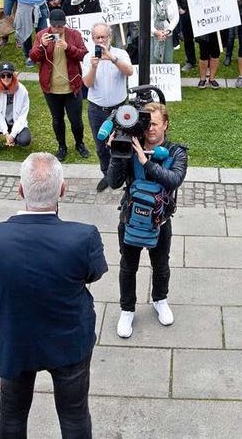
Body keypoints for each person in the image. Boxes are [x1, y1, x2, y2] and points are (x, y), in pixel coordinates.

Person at [0, 152, 106, 438]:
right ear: (62, 189)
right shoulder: (84, 237)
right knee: (74, 415)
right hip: (69, 342)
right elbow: (93, 274)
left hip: (15, 342)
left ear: (20, 189)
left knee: (12, 413)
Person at [106, 102, 188, 339]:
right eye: (146, 124)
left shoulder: (176, 152)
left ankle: (160, 299)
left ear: (165, 124)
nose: (149, 129)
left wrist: (145, 161)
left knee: (161, 265)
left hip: (160, 222)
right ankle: (127, 309)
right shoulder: (130, 145)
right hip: (130, 219)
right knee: (127, 267)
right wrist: (116, 154)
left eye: (154, 124)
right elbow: (113, 182)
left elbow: (174, 180)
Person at [30, 9, 89, 161]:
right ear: (50, 24)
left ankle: (79, 143)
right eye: (55, 26)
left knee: (76, 121)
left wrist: (68, 48)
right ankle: (62, 146)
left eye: (60, 26)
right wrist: (42, 45)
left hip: (72, 87)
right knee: (57, 119)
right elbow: (33, 57)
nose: (57, 29)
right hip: (51, 88)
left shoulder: (74, 35)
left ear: (65, 24)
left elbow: (83, 54)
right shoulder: (41, 35)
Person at [83, 22, 132, 192]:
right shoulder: (88, 57)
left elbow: (129, 72)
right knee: (101, 146)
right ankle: (107, 174)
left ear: (110, 37)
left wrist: (112, 58)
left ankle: (124, 175)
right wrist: (94, 67)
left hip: (119, 109)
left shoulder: (120, 53)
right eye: (98, 37)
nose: (101, 40)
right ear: (92, 39)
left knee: (122, 143)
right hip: (97, 110)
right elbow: (87, 83)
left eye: (104, 37)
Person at [0, 61, 32, 156]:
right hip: (1, 122)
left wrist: (12, 134)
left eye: (9, 75)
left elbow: (22, 116)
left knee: (25, 141)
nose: (6, 78)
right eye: (3, 76)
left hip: (16, 122)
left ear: (13, 76)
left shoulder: (22, 90)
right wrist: (5, 133)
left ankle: (14, 139)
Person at [149, 0, 179, 64]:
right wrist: (155, 31)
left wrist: (168, 30)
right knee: (152, 60)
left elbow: (175, 17)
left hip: (167, 33)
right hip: (152, 33)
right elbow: (146, 19)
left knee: (167, 60)